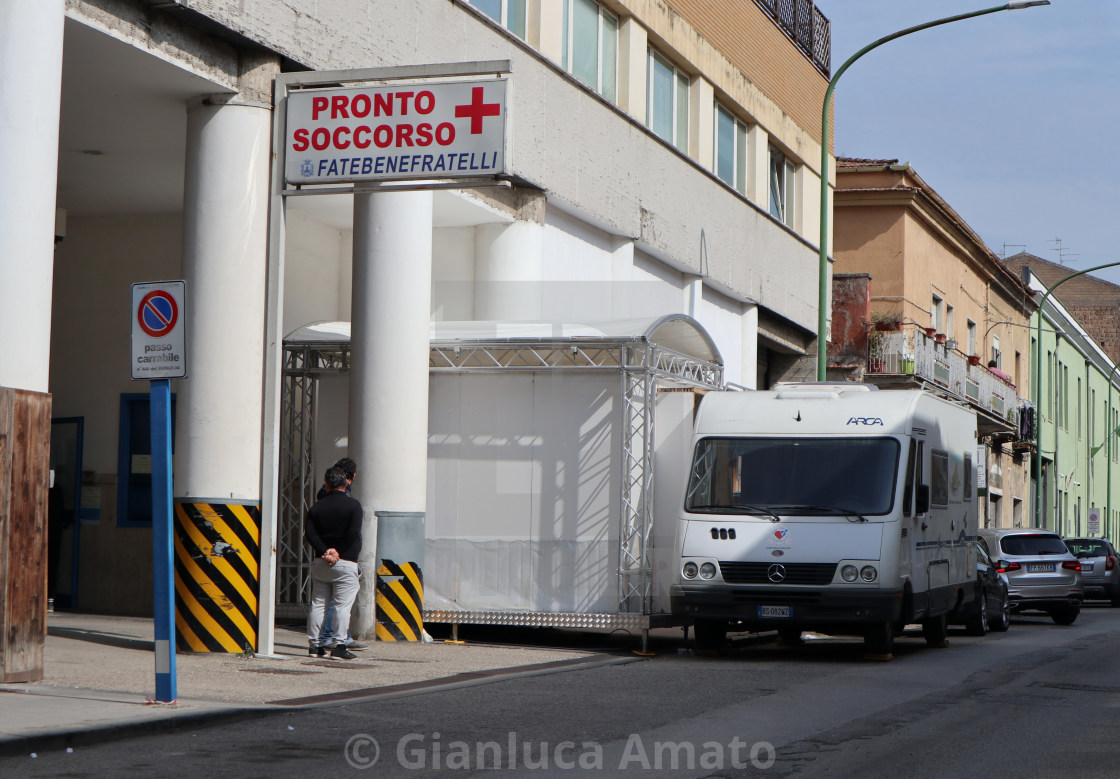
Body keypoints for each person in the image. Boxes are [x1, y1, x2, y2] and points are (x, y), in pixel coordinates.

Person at [305, 465, 364, 660]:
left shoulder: (316, 507)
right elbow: (353, 533)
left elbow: (310, 534)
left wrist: (324, 551)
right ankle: (339, 645)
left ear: (327, 483)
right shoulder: (354, 506)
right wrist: (338, 552)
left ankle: (314, 646)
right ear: (345, 483)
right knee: (341, 606)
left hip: (321, 563)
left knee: (318, 604)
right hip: (345, 562)